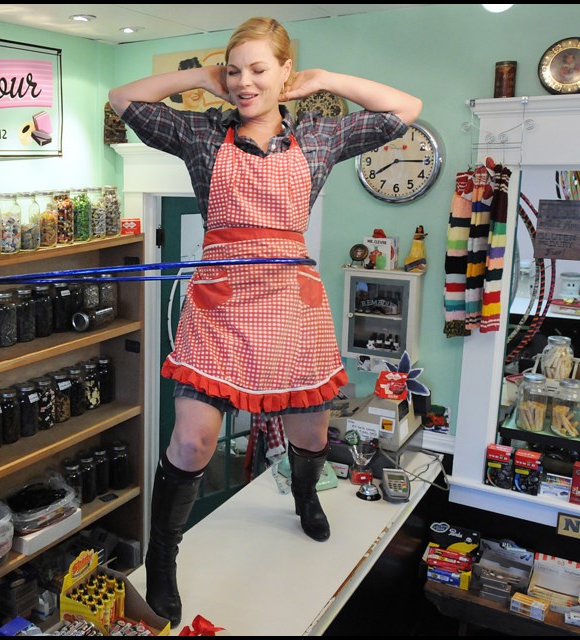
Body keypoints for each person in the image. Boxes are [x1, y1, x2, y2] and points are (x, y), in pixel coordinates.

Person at [108, 17, 421, 627]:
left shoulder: (322, 140)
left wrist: (325, 79)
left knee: (309, 436)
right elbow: (122, 101)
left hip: (290, 304)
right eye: (234, 70)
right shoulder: (201, 135)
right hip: (220, 304)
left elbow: (405, 107)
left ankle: (305, 495)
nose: (244, 82)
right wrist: (201, 76)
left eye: (258, 69)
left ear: (284, 73)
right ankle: (164, 560)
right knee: (192, 440)